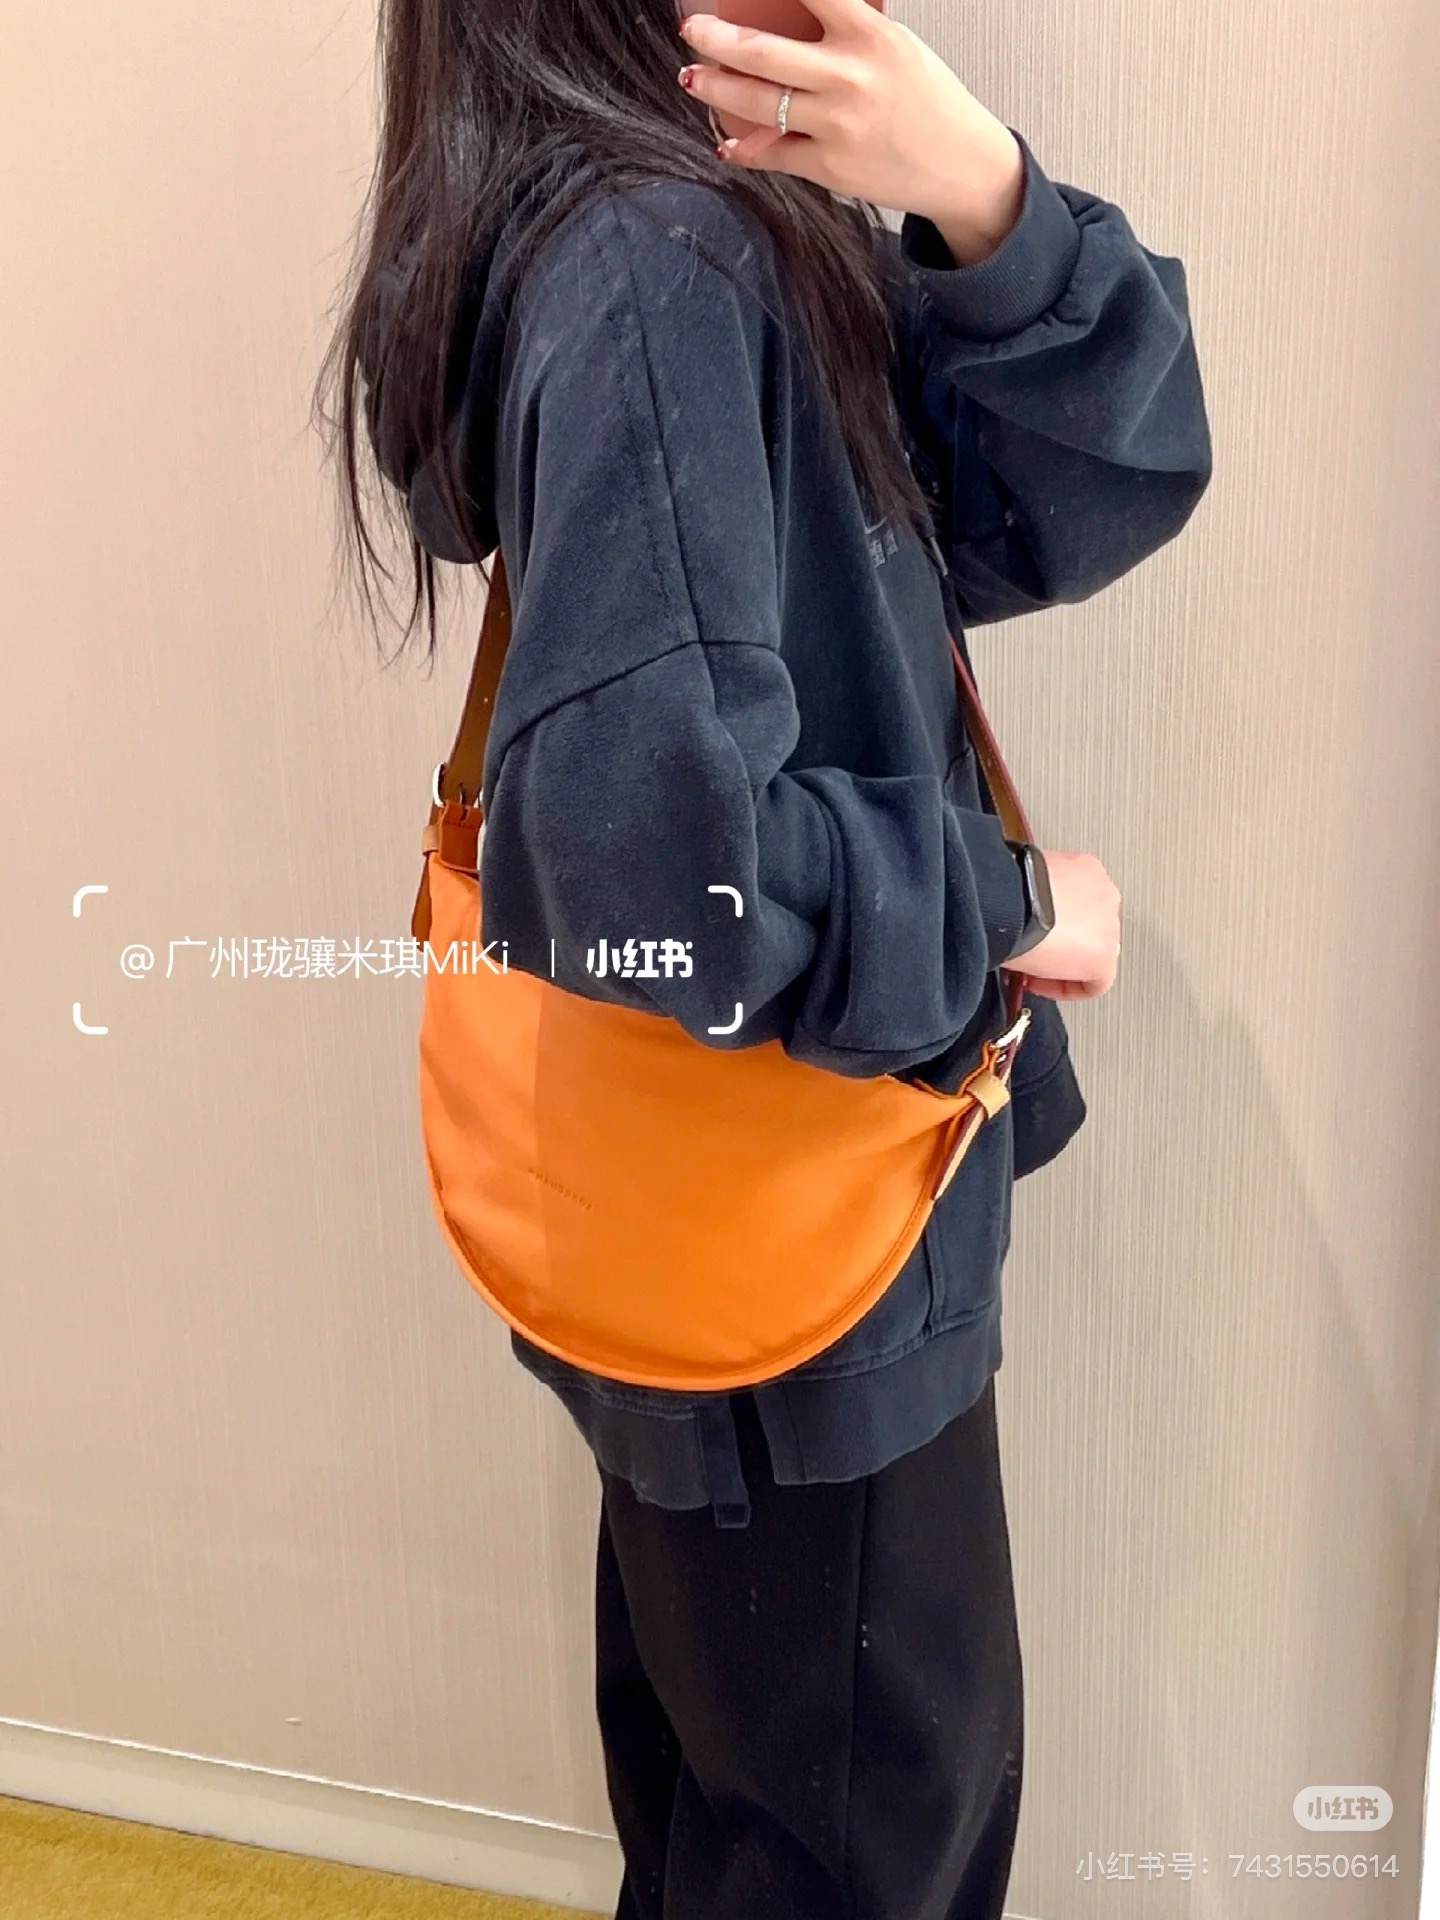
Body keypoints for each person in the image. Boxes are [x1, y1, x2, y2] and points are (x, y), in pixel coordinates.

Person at [318, 0, 1212, 1912]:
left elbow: (1066, 497)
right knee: (856, 1850)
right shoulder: (660, 258)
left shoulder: (649, 221)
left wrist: (977, 197)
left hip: (721, 1226)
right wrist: (1009, 903)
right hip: (798, 1257)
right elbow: (653, 862)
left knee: (744, 1823)